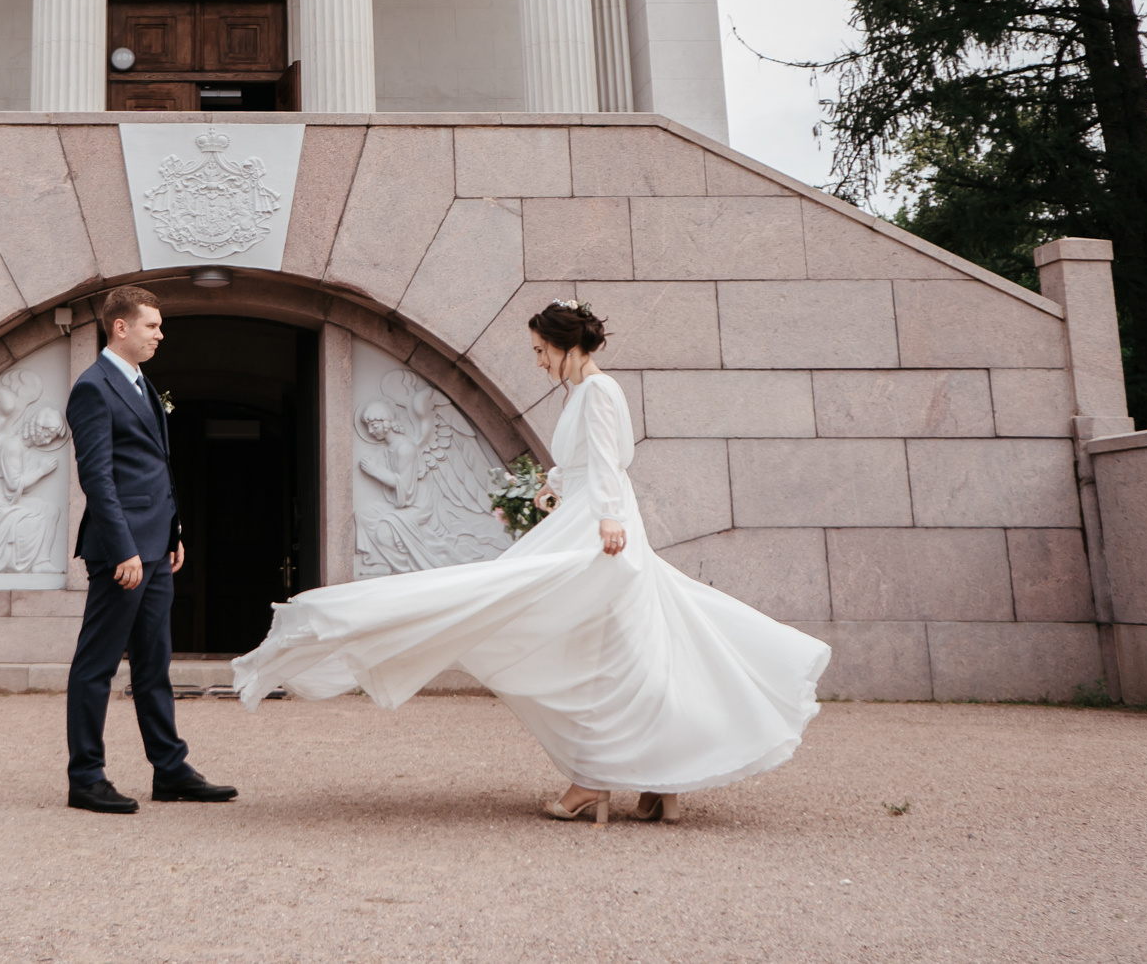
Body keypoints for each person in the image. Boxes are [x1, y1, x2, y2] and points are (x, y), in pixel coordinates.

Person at [232, 299, 830, 824]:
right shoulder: (588, 392)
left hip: (600, 527)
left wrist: (608, 521)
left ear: (569, 347)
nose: (538, 360)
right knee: (629, 643)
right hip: (591, 516)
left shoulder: (596, 390)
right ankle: (658, 780)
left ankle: (595, 779)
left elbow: (607, 464)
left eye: (541, 350)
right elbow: (581, 466)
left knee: (560, 636)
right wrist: (550, 487)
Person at [61, 284, 238, 814]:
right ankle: (86, 777)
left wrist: (173, 531)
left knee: (154, 663)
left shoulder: (142, 383)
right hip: (123, 554)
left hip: (156, 546)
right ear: (121, 327)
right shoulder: (93, 388)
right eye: (152, 325)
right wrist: (123, 549)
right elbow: (97, 477)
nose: (160, 334)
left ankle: (170, 770)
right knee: (96, 665)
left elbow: (152, 466)